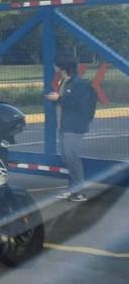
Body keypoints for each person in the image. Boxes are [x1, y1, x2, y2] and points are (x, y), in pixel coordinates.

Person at [47, 54, 97, 202]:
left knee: (71, 157)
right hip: (64, 126)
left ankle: (79, 191)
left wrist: (59, 98)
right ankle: (73, 188)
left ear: (62, 66)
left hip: (74, 127)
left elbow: (79, 105)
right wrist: (56, 98)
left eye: (55, 64)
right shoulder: (65, 81)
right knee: (66, 157)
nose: (53, 66)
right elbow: (66, 102)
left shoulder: (79, 84)